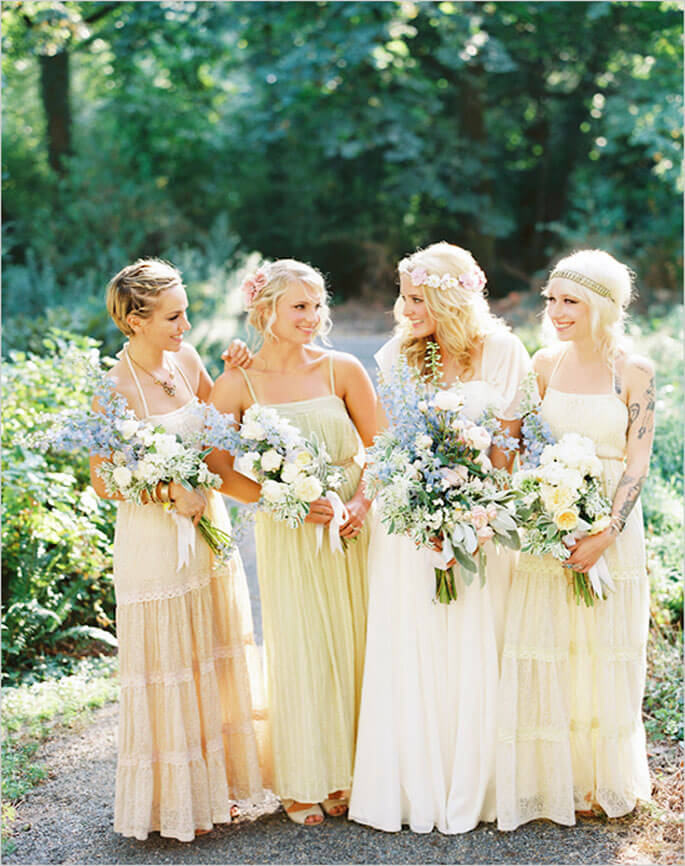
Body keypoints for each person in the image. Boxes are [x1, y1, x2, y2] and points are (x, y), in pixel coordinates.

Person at [349, 241, 531, 834]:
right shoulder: (401, 355)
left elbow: (508, 446)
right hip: (408, 528)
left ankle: (477, 786)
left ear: (451, 298)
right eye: (404, 297)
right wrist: (409, 503)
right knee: (414, 642)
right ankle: (412, 788)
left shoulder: (501, 351)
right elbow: (386, 445)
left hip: (479, 522)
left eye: (417, 298)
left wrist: (477, 509)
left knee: (474, 641)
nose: (406, 310)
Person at [89, 258, 267, 842]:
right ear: (135, 320)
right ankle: (174, 804)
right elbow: (103, 479)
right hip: (155, 540)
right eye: (173, 315)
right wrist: (168, 490)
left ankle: (219, 791)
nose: (186, 325)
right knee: (171, 661)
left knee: (210, 648)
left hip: (205, 529)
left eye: (186, 311)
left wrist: (236, 374)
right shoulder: (112, 389)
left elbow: (221, 431)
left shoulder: (186, 362)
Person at [207, 259, 376, 826]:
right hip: (289, 530)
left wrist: (359, 505)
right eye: (299, 306)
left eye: (317, 305)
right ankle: (306, 777)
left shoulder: (342, 368)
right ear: (265, 311)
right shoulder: (238, 382)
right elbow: (218, 468)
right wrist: (286, 503)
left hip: (351, 525)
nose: (313, 317)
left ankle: (355, 771)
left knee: (357, 640)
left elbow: (384, 450)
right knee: (302, 644)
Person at [496, 249, 654, 830]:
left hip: (611, 522)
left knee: (605, 647)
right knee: (553, 645)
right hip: (549, 522)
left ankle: (599, 779)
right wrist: (523, 500)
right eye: (552, 300)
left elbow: (639, 456)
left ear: (604, 307)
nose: (556, 311)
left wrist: (607, 532)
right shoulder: (543, 363)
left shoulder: (633, 371)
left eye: (571, 301)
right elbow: (509, 440)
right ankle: (550, 782)